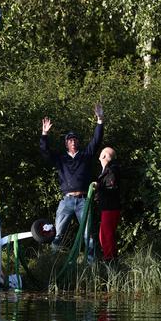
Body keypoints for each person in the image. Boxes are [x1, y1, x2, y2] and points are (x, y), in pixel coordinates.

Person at [39, 103, 104, 249]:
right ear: (66, 144)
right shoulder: (60, 158)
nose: (73, 142)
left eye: (75, 139)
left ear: (78, 142)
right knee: (57, 234)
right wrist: (44, 134)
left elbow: (96, 141)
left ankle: (91, 263)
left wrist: (100, 120)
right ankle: (52, 262)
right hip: (66, 201)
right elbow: (45, 152)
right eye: (70, 140)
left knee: (88, 235)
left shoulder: (85, 155)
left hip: (83, 201)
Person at [93, 147, 120, 261]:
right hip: (107, 207)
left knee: (106, 235)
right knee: (104, 234)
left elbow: (111, 187)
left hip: (110, 207)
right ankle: (109, 256)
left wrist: (98, 187)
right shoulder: (107, 170)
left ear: (104, 156)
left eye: (101, 153)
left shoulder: (111, 170)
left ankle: (110, 260)